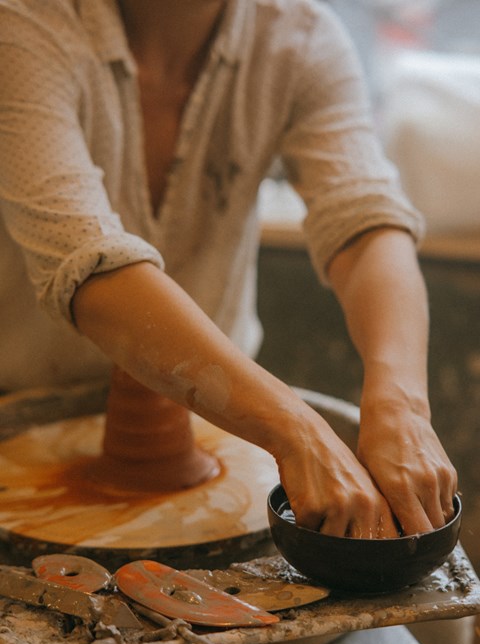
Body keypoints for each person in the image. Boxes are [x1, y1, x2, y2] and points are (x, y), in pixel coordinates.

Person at [0, 0, 457, 539]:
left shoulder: (300, 39)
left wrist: (401, 406)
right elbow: (84, 261)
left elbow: (364, 221)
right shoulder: (24, 27)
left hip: (215, 424)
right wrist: (296, 430)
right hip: (17, 418)